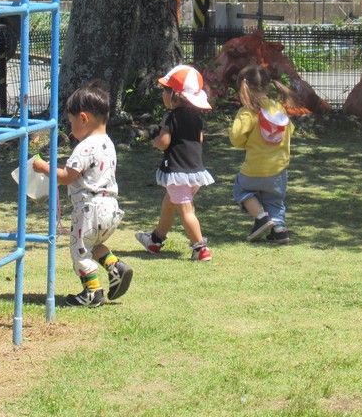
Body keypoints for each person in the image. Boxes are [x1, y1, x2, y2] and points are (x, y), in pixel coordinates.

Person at [32, 82, 132, 308]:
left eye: (71, 122)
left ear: (83, 118)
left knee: (79, 251)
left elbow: (67, 177)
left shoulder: (85, 147)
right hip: (109, 208)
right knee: (92, 245)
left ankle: (92, 292)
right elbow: (81, 173)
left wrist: (43, 167)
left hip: (89, 209)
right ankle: (115, 266)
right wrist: (56, 168)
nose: (70, 128)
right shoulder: (107, 144)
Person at [135, 65, 215, 261]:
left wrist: (154, 141)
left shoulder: (170, 116)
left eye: (165, 90)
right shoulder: (196, 116)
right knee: (169, 205)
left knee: (186, 211)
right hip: (195, 172)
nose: (162, 94)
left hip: (178, 173)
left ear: (174, 95)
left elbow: (164, 143)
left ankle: (200, 248)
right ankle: (155, 240)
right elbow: (200, 139)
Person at [229, 64, 295, 243]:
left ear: (243, 88)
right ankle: (280, 230)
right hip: (278, 168)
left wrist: (245, 143)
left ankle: (261, 217)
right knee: (275, 200)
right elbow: (289, 130)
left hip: (254, 167)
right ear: (267, 86)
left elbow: (236, 138)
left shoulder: (248, 111)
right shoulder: (278, 108)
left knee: (241, 190)